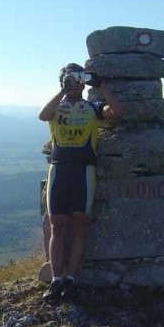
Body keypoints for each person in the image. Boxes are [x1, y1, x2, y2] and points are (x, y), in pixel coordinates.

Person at [38, 63, 125, 302]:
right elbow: (43, 115)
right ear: (63, 82)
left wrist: (101, 85)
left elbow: (117, 111)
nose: (76, 83)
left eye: (79, 79)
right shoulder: (57, 107)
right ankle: (56, 279)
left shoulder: (92, 107)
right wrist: (62, 90)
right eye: (70, 79)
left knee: (81, 224)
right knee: (57, 224)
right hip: (59, 170)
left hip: (85, 171)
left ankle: (71, 279)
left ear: (84, 82)